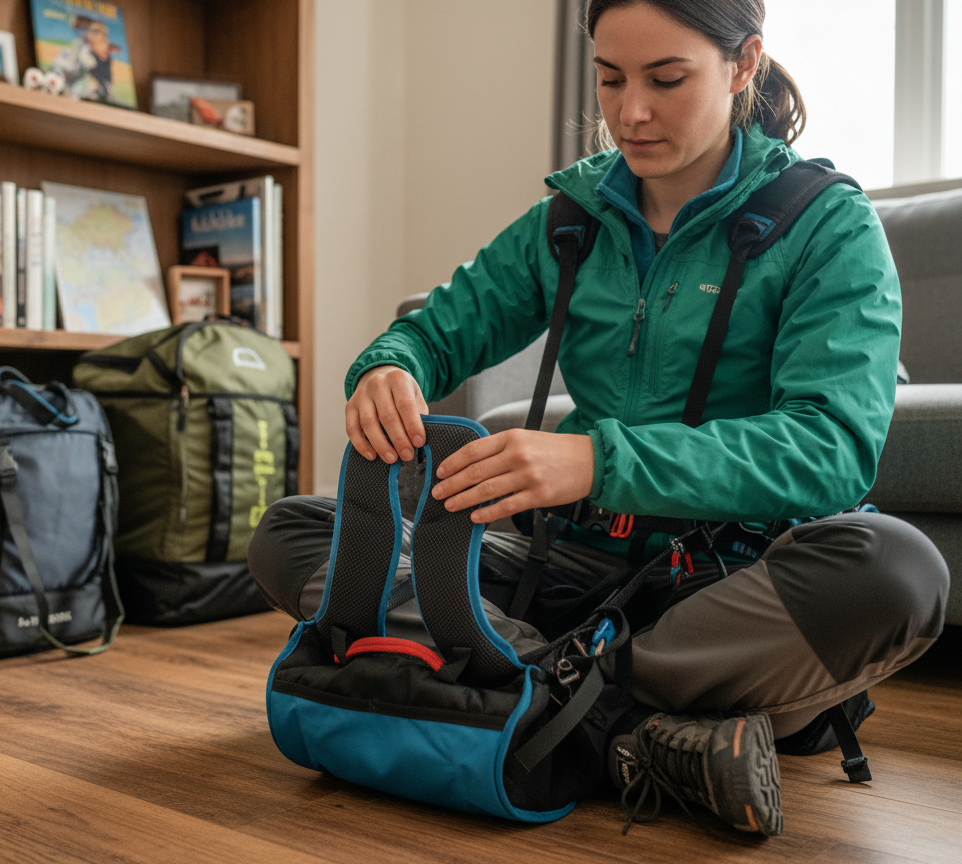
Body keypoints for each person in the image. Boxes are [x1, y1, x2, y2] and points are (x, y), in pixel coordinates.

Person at [250, 0, 949, 836]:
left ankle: (520, 693)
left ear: (742, 64)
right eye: (610, 78)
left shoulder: (828, 224)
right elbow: (433, 330)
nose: (630, 112)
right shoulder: (571, 219)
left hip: (727, 590)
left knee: (898, 573)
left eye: (666, 79)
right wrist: (389, 368)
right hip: (569, 572)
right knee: (296, 529)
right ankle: (634, 729)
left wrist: (595, 460)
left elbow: (830, 451)